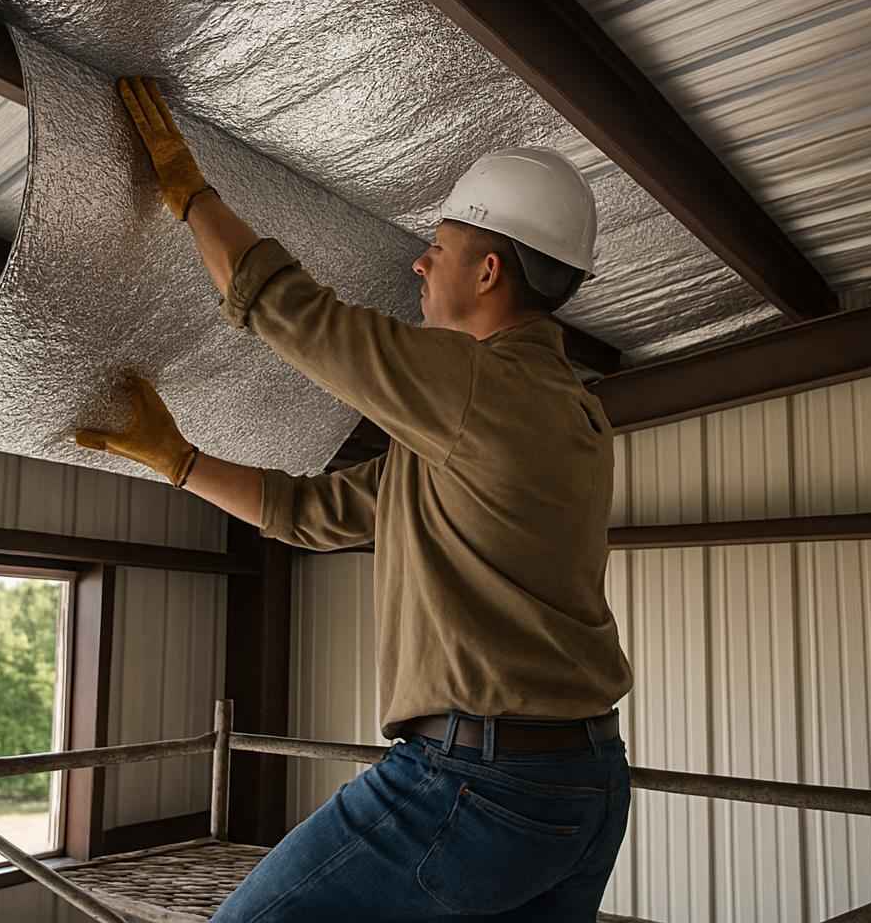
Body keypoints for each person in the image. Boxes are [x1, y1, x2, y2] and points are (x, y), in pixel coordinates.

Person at [76, 78, 634, 921]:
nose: (419, 261)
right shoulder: (560, 413)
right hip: (582, 785)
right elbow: (312, 513)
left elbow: (292, 313)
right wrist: (179, 460)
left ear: (489, 272)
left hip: (473, 781)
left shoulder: (480, 387)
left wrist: (191, 196)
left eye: (438, 247)